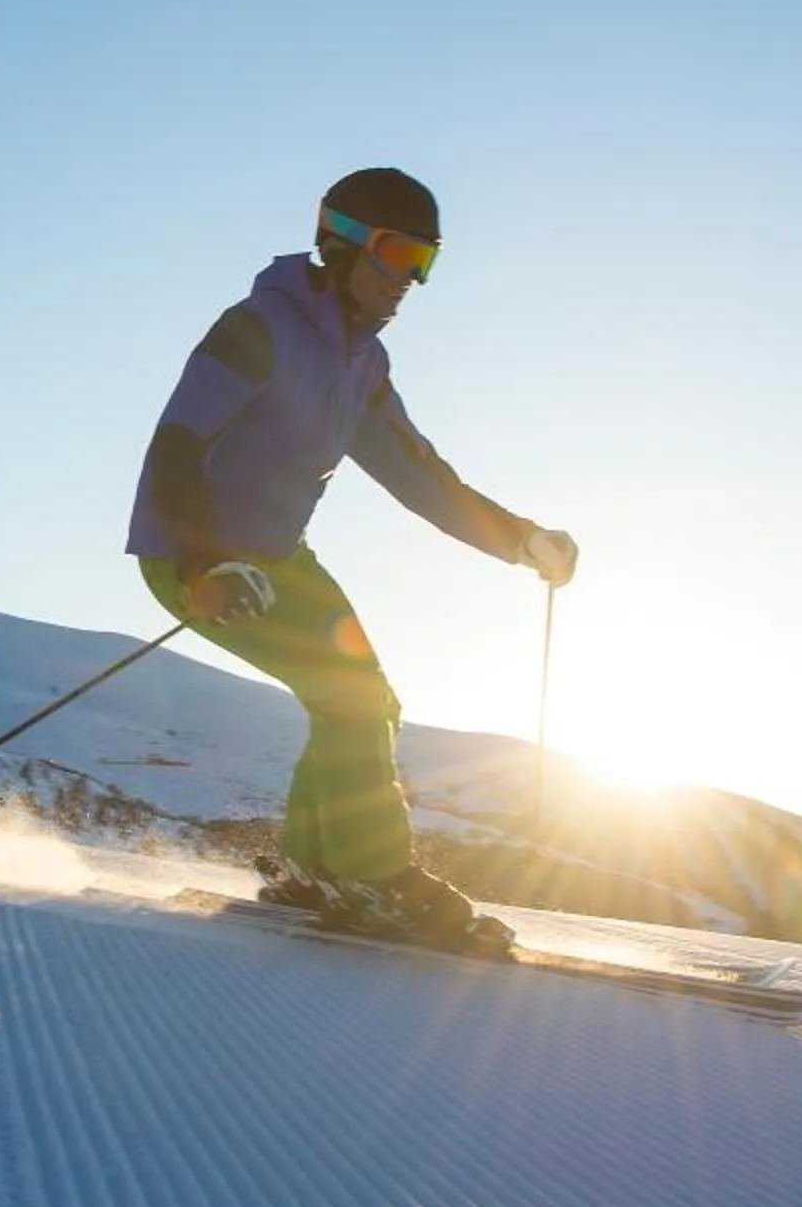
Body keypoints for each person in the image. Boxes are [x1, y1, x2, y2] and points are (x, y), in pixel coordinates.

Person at [128, 168, 577, 950]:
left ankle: (316, 868)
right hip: (198, 560)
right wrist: (201, 565)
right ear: (341, 243)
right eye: (398, 253)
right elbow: (177, 445)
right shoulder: (257, 328)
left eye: (425, 262)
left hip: (277, 560)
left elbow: (418, 475)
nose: (410, 279)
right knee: (353, 700)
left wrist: (520, 538)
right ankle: (375, 877)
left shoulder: (362, 363)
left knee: (371, 703)